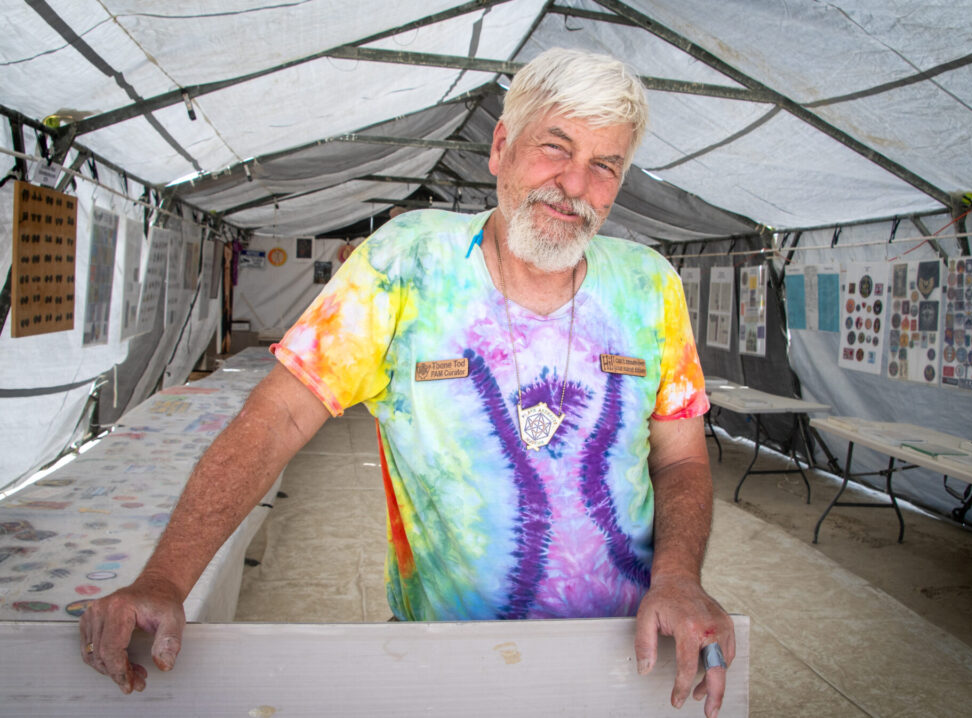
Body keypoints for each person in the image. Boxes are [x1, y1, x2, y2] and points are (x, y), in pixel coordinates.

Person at [79, 48, 735, 715]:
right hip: (443, 663)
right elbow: (277, 418)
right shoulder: (407, 263)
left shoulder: (651, 286)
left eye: (605, 165)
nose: (573, 184)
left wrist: (679, 579)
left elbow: (679, 456)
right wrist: (165, 577)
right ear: (501, 147)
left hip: (626, 660)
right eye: (555, 148)